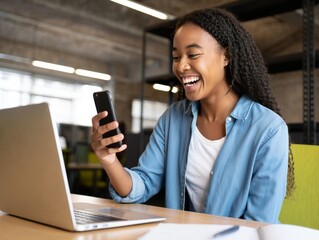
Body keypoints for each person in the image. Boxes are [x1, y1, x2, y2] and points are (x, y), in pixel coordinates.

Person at [91, 8, 295, 224]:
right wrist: (108, 159)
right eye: (176, 57)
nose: (181, 66)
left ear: (226, 56)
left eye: (193, 54)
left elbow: (259, 223)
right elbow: (142, 184)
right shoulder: (173, 118)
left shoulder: (268, 129)